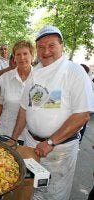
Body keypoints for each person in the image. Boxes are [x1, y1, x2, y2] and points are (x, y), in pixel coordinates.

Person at [11, 25, 94, 200]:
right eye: (41, 47)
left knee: (53, 193)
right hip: (31, 144)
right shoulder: (36, 73)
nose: (45, 51)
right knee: (28, 189)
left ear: (62, 46)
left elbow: (82, 115)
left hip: (58, 151)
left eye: (51, 45)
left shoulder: (74, 72)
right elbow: (24, 109)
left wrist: (50, 142)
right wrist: (13, 138)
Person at [0, 40, 34, 145]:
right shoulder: (5, 78)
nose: (22, 58)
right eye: (18, 54)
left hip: (28, 138)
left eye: (25, 54)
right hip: (4, 133)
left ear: (32, 56)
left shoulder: (40, 79)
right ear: (14, 58)